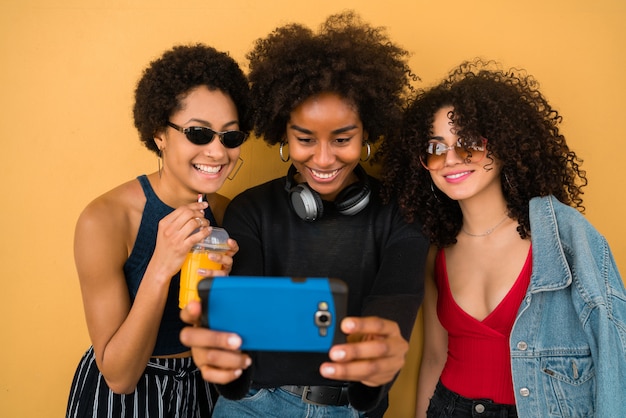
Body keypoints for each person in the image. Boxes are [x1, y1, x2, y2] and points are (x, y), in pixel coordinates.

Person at [179, 11, 428, 418]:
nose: (324, 158)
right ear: (284, 135)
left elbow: (392, 312)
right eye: (306, 139)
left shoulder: (401, 215)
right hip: (252, 406)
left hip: (350, 410)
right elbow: (241, 337)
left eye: (343, 138)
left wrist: (375, 366)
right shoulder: (250, 210)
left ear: (367, 133)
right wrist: (225, 367)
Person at [379, 59, 626, 417]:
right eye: (436, 148)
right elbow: (434, 357)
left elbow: (614, 349)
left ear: (505, 144)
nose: (450, 159)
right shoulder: (437, 252)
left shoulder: (563, 239)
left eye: (467, 144)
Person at [65, 44, 251, 418]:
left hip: (205, 390)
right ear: (159, 134)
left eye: (230, 137)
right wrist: (162, 264)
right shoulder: (104, 219)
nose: (217, 152)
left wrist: (222, 298)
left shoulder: (231, 213)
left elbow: (226, 338)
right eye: (199, 133)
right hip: (125, 398)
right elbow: (119, 377)